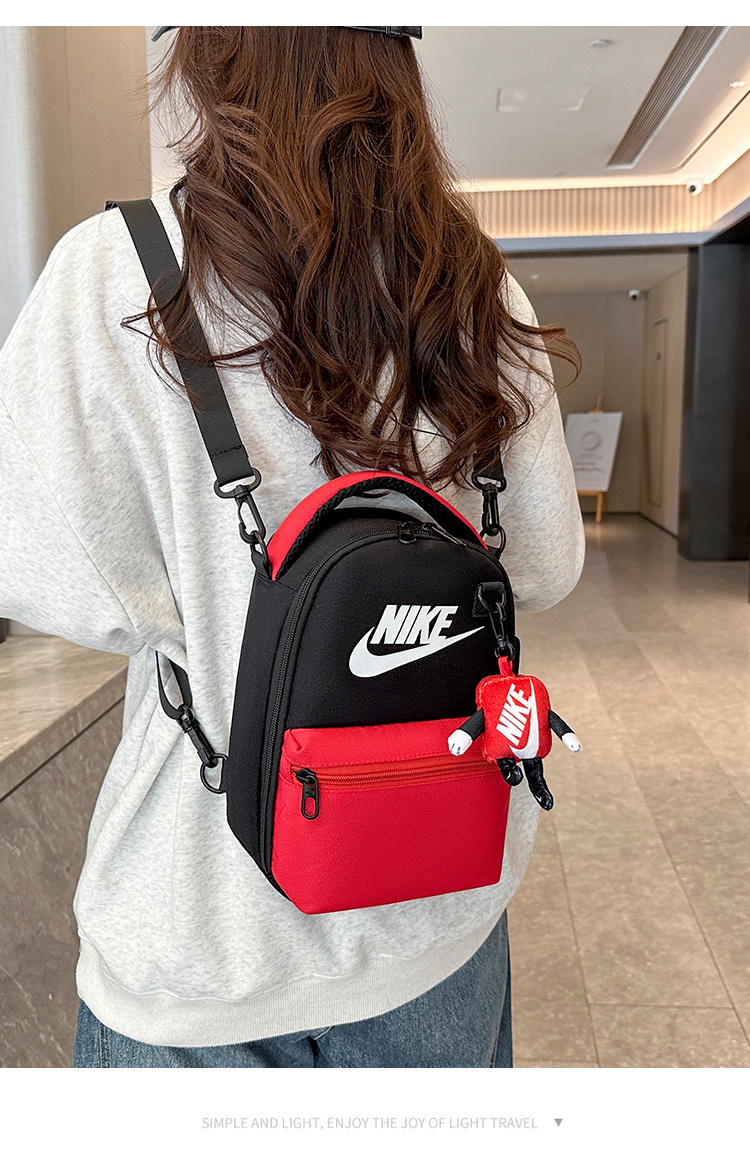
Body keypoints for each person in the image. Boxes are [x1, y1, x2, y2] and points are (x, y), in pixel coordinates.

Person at [0, 26, 584, 1068]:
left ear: (208, 57)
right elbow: (540, 564)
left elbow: (44, 575)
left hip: (206, 932)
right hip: (436, 910)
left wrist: (209, 586)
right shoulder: (474, 285)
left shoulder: (116, 272)